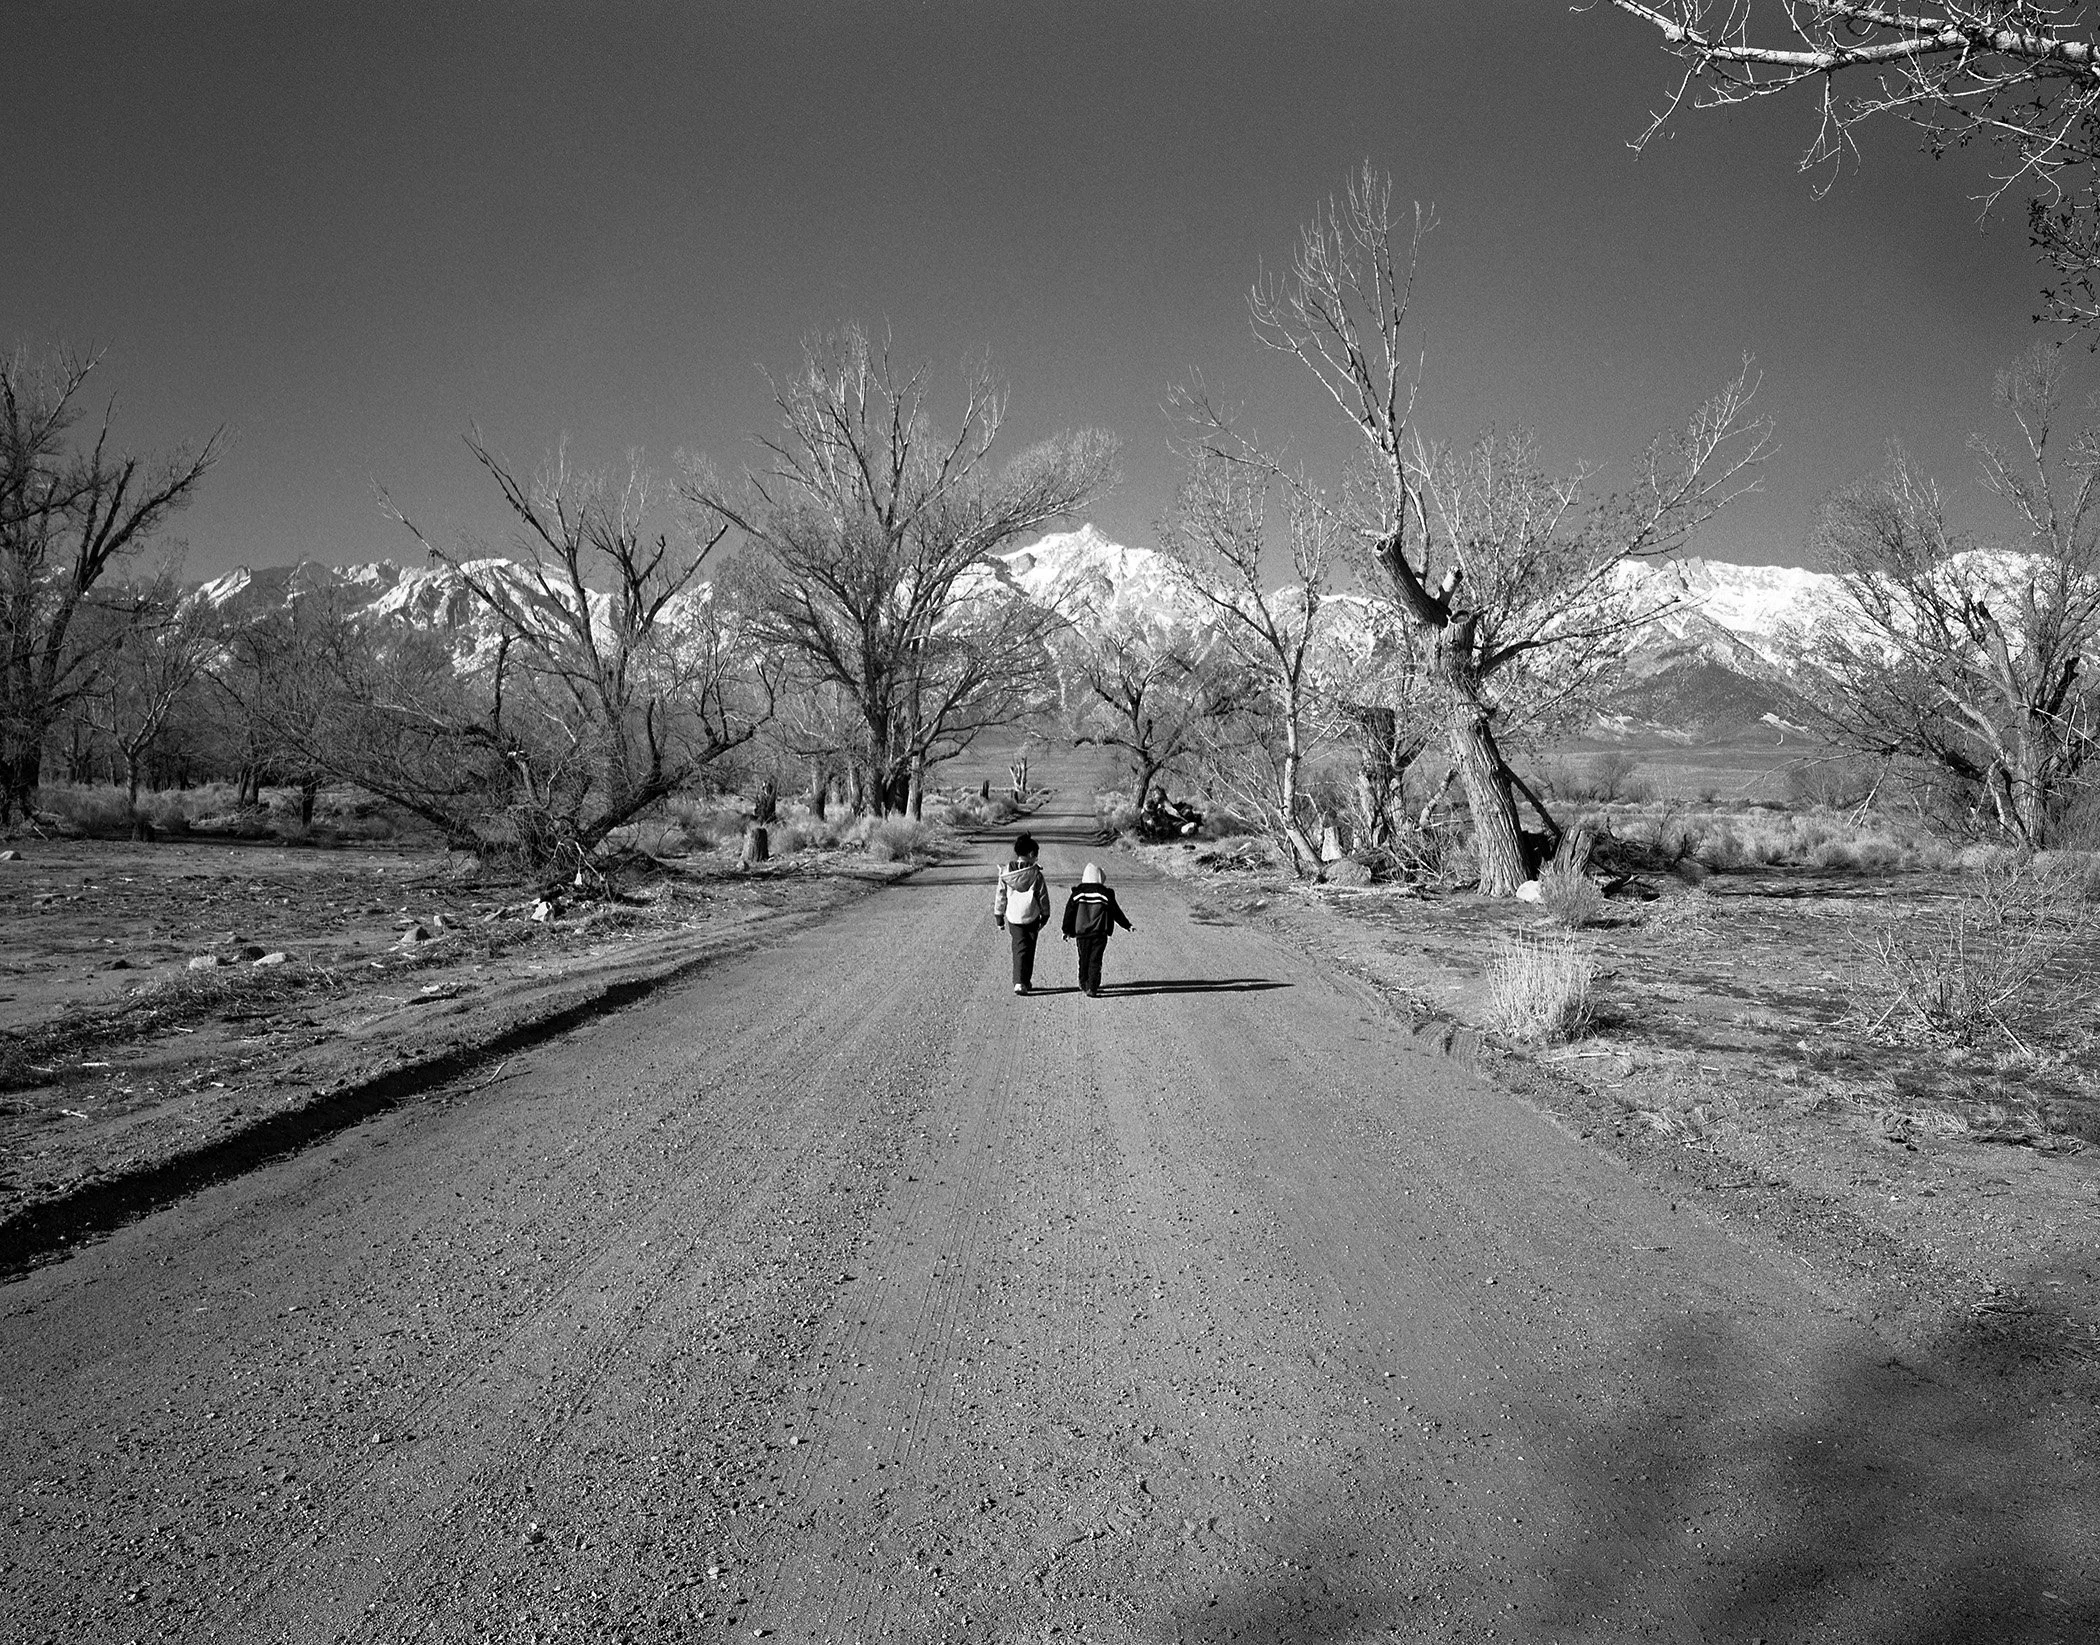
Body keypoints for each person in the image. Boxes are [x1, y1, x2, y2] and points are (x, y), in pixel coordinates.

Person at [1061, 862, 1134, 997]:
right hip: (1099, 933)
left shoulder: (1077, 894)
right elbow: (1115, 911)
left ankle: (1083, 983)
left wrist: (1066, 930)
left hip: (1081, 933)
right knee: (1095, 959)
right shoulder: (1105, 894)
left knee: (1083, 958)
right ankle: (1093, 987)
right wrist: (1127, 925)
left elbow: (1069, 912)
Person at [993, 832, 1050, 995]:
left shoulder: (1005, 873)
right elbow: (1043, 896)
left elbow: (1000, 895)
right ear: (1031, 854)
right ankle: (1024, 980)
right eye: (1036, 856)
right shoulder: (1036, 875)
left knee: (1019, 948)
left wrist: (999, 917)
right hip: (1032, 916)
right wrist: (1045, 915)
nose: (1036, 859)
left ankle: (1020, 981)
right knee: (1030, 948)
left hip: (1013, 917)